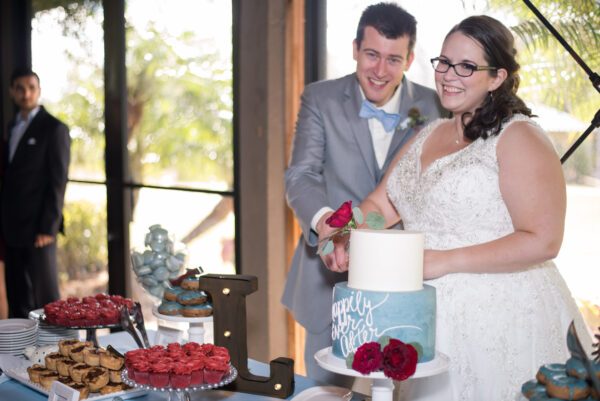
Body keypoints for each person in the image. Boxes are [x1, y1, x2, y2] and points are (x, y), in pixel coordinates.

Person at [321, 15, 591, 400]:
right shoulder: (430, 132)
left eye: (466, 66)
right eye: (444, 62)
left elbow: (544, 240)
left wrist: (443, 260)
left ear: (496, 77)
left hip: (498, 316)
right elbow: (383, 202)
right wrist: (346, 237)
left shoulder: (520, 136)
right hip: (415, 311)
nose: (449, 75)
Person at [282, 2, 445, 385]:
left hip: (406, 277)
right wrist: (325, 222)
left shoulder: (435, 106)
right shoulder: (319, 98)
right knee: (326, 389)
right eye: (372, 54)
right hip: (330, 274)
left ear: (409, 60)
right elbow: (301, 175)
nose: (380, 70)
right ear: (355, 49)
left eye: (393, 59)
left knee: (407, 386)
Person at [1, 68, 71, 318]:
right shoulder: (12, 127)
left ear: (39, 91)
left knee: (46, 300)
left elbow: (58, 181)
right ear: (12, 92)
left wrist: (48, 227)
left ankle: (58, 344)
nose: (26, 93)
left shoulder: (54, 128)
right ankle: (20, 345)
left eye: (31, 88)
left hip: (39, 230)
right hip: (12, 228)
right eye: (20, 88)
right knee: (17, 297)